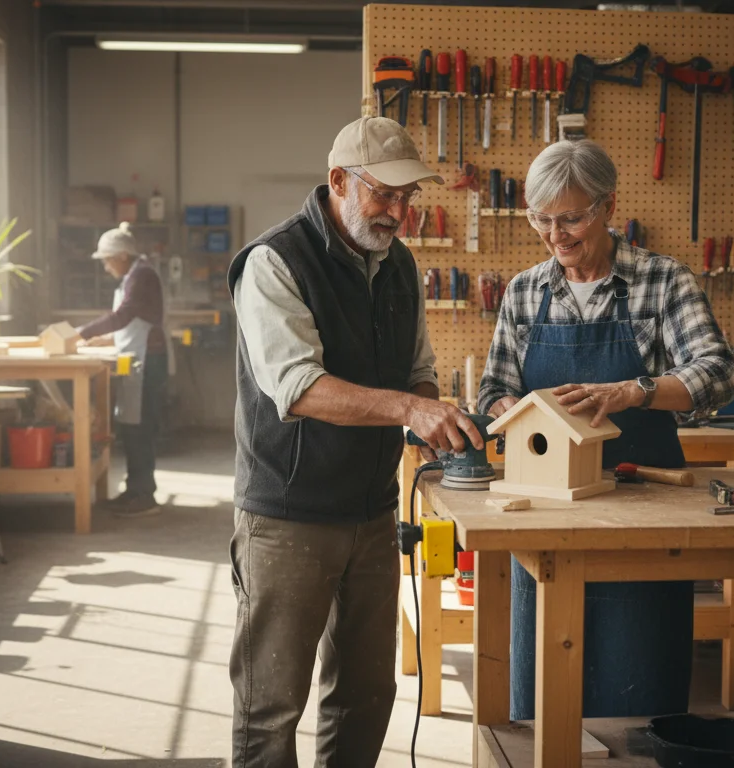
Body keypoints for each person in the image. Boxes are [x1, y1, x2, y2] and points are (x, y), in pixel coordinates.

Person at [226, 115, 482, 768]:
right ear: (338, 181)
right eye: (384, 194)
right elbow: (298, 388)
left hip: (372, 511)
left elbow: (417, 367)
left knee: (367, 692)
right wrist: (409, 411)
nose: (399, 212)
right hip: (288, 518)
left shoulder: (399, 266)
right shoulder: (273, 262)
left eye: (408, 197)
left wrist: (437, 418)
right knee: (271, 703)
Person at [478, 140, 734, 720]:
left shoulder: (663, 280)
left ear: (608, 205)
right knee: (543, 701)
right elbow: (492, 390)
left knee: (637, 692)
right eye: (541, 220)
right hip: (546, 516)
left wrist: (634, 391)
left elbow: (719, 374)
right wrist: (517, 414)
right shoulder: (524, 292)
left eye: (571, 217)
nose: (556, 235)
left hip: (642, 512)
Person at [77, 222, 172, 518]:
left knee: (140, 429)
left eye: (106, 260)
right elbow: (128, 321)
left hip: (146, 360)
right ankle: (135, 490)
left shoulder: (141, 275)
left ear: (120, 256)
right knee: (132, 428)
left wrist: (82, 333)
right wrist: (104, 337)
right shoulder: (134, 274)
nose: (106, 267)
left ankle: (145, 496)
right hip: (134, 359)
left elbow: (125, 314)